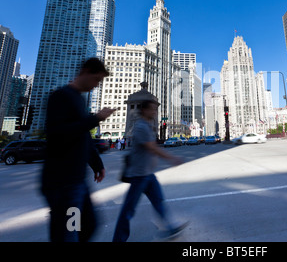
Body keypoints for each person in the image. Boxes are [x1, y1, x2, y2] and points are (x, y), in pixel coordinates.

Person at [41, 57, 115, 242]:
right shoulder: (60, 96)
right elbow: (58, 133)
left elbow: (83, 135)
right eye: (96, 80)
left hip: (76, 180)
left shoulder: (80, 100)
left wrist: (97, 163)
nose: (97, 85)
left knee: (88, 225)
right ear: (85, 72)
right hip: (62, 182)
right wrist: (95, 118)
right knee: (69, 234)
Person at [112, 99, 187, 242]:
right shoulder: (141, 126)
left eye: (155, 109)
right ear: (144, 110)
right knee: (128, 210)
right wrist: (172, 158)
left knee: (158, 201)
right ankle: (118, 239)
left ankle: (171, 227)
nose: (154, 112)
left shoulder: (146, 126)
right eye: (152, 109)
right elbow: (152, 147)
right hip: (139, 175)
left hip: (147, 174)